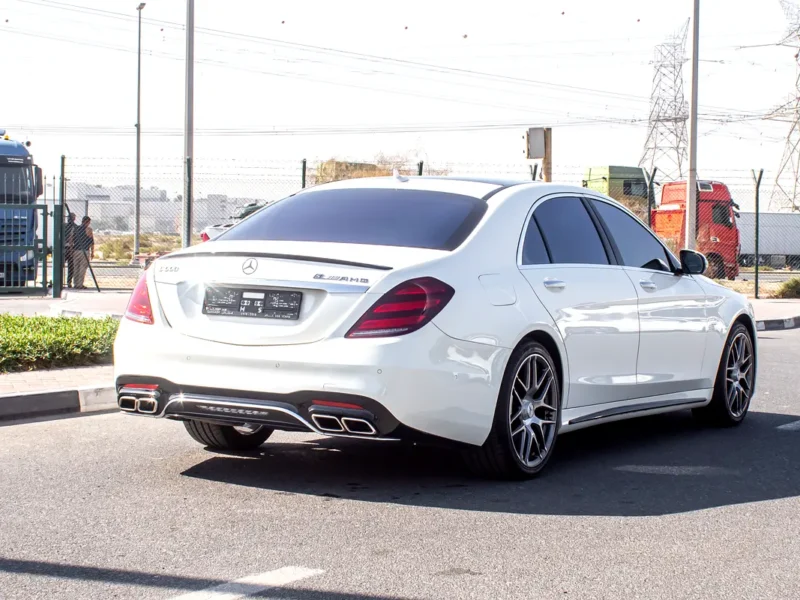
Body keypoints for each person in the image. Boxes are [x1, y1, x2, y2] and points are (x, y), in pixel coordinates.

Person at [72, 216, 94, 290]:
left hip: (76, 250)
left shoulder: (75, 229)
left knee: (76, 267)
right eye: (89, 222)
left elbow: (71, 239)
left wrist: (72, 249)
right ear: (87, 222)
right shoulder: (89, 230)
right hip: (85, 250)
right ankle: (80, 284)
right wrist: (92, 252)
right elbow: (91, 242)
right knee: (82, 268)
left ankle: (75, 283)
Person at [63, 212, 77, 288]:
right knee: (71, 267)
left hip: (64, 247)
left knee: (63, 265)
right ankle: (69, 282)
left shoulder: (63, 226)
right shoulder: (75, 227)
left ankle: (60, 281)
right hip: (70, 248)